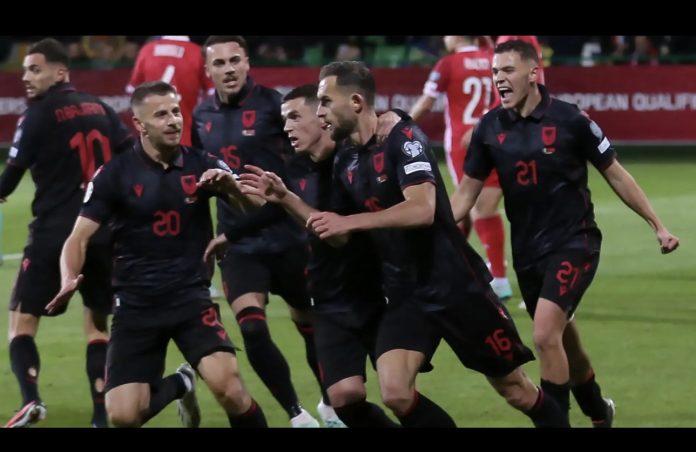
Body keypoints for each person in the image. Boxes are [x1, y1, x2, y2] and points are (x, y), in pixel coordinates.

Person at [307, 60, 569, 427]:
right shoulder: (345, 158)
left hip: (456, 287)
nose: (319, 112)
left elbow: (422, 209)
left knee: (516, 390)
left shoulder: (404, 138)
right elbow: (338, 229)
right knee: (395, 391)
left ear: (355, 102)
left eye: (325, 101)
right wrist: (284, 199)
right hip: (405, 294)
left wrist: (350, 221)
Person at [451, 39, 680, 427]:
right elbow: (465, 196)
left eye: (507, 70)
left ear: (533, 73)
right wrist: (429, 228)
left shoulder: (571, 120)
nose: (499, 79)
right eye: (494, 72)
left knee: (544, 335)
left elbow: (616, 175)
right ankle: (599, 411)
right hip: (527, 252)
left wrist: (657, 226)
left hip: (575, 242)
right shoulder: (489, 128)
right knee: (564, 340)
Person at [46, 80, 268, 428]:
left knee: (230, 389)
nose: (173, 120)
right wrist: (68, 279)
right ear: (139, 124)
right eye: (161, 114)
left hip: (190, 298)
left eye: (176, 111)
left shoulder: (202, 163)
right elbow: (77, 238)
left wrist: (233, 189)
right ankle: (182, 384)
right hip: (135, 306)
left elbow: (256, 206)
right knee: (123, 416)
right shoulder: (114, 174)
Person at [238, 84, 425, 427]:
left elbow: (338, 236)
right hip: (329, 300)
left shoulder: (352, 160)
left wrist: (398, 117)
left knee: (398, 393)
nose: (287, 127)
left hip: (377, 294)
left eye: (295, 117)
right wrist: (229, 229)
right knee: (343, 398)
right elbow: (274, 211)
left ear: (322, 117)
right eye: (284, 119)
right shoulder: (294, 168)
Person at [192, 35, 326, 427]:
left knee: (312, 328)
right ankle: (296, 413)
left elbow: (299, 173)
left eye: (235, 60)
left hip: (287, 237)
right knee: (251, 329)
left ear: (248, 62)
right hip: (240, 245)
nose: (229, 69)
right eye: (219, 63)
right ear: (208, 70)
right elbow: (203, 182)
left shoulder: (274, 106)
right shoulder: (201, 115)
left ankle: (331, 404)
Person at [1, 38, 134, 428]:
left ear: (60, 72)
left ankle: (31, 400)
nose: (26, 77)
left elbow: (10, 178)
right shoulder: (101, 108)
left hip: (54, 233)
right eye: (25, 69)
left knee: (21, 322)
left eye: (35, 69)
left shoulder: (37, 115)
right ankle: (100, 416)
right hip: (101, 231)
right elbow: (129, 157)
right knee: (97, 325)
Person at [410, 36, 512, 302]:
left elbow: (426, 102)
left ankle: (489, 277)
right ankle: (473, 271)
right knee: (480, 208)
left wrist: (400, 125)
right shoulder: (492, 59)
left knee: (472, 207)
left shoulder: (448, 63)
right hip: (496, 136)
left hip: (463, 143)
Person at [126, 36, 213, 146]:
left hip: (152, 142)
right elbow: (212, 94)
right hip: (186, 139)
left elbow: (133, 92)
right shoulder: (198, 53)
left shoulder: (147, 50)